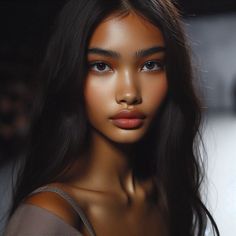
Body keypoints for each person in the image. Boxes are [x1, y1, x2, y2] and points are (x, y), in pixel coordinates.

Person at [4, 0, 219, 235]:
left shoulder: (167, 191)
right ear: (72, 73)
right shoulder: (45, 220)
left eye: (150, 65)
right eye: (101, 66)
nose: (129, 93)